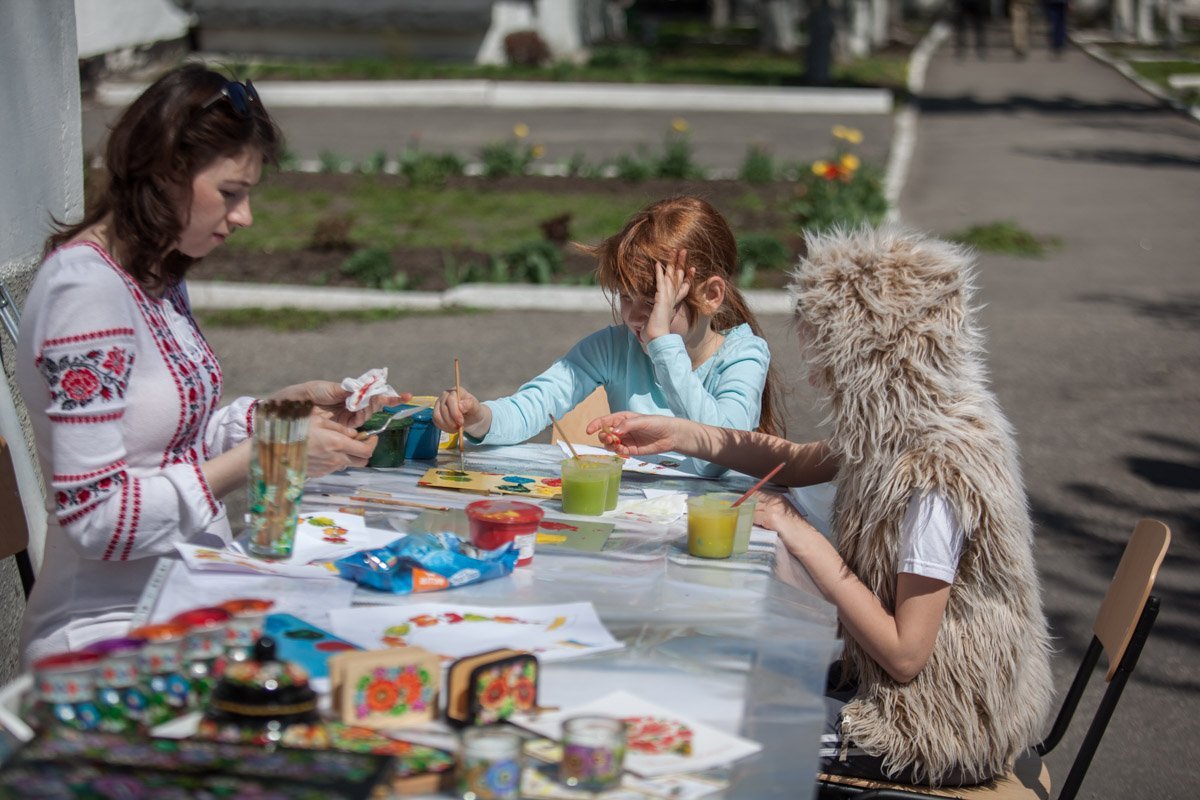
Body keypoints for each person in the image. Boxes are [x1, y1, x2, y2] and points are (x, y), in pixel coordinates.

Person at [588, 225, 1053, 786]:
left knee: (702, 727)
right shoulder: (904, 429)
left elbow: (906, 655)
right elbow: (799, 460)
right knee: (723, 669)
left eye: (827, 364)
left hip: (924, 724)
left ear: (875, 361)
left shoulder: (935, 478)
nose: (812, 376)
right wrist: (682, 434)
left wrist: (799, 535)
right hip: (878, 682)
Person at [16, 65, 394, 664]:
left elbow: (171, 443)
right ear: (167, 173)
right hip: (110, 635)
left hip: (186, 597)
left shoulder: (154, 274)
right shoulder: (87, 295)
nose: (244, 216)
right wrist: (267, 456)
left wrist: (281, 418)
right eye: (230, 192)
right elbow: (96, 519)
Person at [432, 195, 781, 476]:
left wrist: (664, 345)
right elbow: (534, 406)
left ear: (710, 296)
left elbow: (718, 457)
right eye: (627, 297)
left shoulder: (743, 355)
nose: (637, 316)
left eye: (656, 302)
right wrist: (479, 418)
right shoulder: (614, 347)